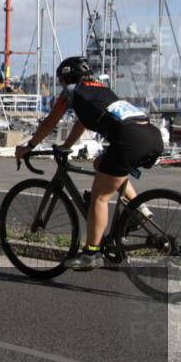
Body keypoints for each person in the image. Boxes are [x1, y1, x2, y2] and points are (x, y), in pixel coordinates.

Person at [14, 56, 163, 271]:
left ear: (66, 77)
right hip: (151, 135)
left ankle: (91, 253)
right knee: (101, 164)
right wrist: (66, 146)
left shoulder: (72, 92)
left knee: (99, 197)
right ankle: (140, 209)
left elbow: (49, 123)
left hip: (129, 139)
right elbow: (83, 123)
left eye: (60, 80)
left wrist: (29, 146)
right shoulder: (98, 89)